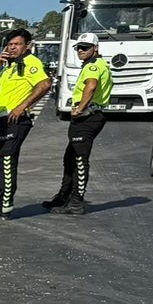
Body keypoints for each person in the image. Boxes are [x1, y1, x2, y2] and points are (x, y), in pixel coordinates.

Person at [0, 28, 52, 221]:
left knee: (7, 159)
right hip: (3, 118)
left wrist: (22, 106)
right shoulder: (11, 65)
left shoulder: (30, 63)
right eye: (10, 44)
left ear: (27, 46)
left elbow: (45, 84)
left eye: (17, 44)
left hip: (17, 119)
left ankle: (5, 206)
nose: (13, 48)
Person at [51, 34, 111, 214]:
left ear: (96, 48)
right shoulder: (98, 65)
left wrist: (80, 108)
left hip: (87, 116)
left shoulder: (93, 66)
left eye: (85, 47)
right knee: (70, 157)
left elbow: (91, 86)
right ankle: (64, 196)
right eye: (79, 48)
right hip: (90, 115)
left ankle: (76, 202)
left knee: (79, 159)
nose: (81, 51)